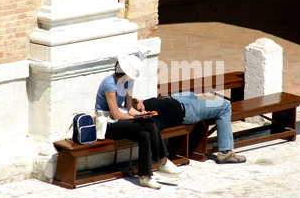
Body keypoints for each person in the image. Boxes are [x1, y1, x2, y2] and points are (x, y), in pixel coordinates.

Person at [95, 54, 181, 190]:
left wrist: (141, 114)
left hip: (121, 120)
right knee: (149, 125)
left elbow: (129, 108)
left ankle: (144, 177)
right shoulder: (109, 84)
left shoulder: (129, 82)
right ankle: (163, 161)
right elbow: (116, 113)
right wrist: (137, 119)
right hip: (109, 124)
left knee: (145, 134)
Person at [132, 92, 246, 164]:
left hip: (178, 99)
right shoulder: (152, 118)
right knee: (225, 106)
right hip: (189, 111)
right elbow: (155, 128)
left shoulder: (142, 104)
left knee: (191, 94)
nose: (142, 102)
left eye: (140, 102)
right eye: (140, 107)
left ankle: (205, 107)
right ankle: (225, 152)